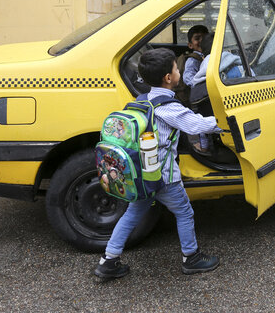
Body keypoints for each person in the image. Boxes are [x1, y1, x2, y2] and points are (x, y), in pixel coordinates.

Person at [94, 48, 223, 279]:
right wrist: (227, 121)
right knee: (184, 211)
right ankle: (191, 257)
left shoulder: (141, 101)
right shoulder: (169, 107)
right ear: (168, 77)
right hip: (164, 177)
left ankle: (108, 260)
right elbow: (197, 125)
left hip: (141, 175)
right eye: (176, 68)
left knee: (132, 214)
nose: (178, 71)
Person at [173, 25, 208, 105]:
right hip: (196, 98)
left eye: (204, 38)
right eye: (197, 38)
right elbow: (188, 78)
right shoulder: (193, 59)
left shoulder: (206, 55)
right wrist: (202, 87)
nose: (201, 40)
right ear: (190, 45)